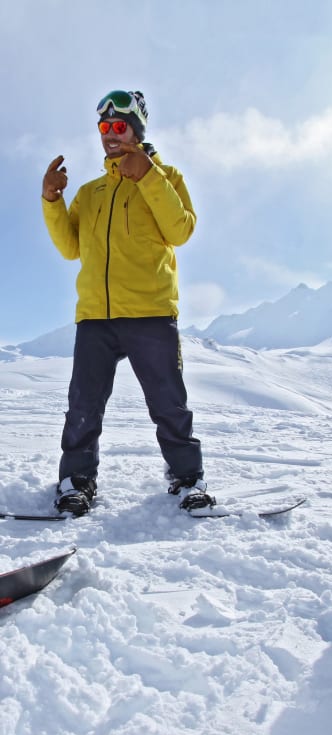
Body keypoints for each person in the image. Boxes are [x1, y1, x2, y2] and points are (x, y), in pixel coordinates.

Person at [41, 90, 214, 516]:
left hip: (150, 313)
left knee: (169, 404)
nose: (111, 136)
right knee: (83, 406)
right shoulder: (92, 191)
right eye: (104, 128)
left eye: (119, 127)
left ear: (137, 130)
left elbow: (180, 230)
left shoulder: (167, 175)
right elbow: (69, 247)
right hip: (96, 317)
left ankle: (187, 479)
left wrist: (148, 176)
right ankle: (76, 482)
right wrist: (52, 200)